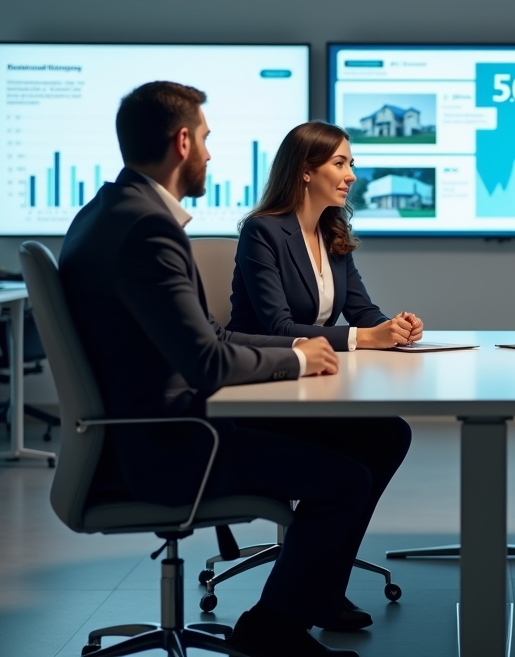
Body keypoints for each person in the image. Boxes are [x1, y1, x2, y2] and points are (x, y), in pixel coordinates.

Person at [60, 81, 411, 657]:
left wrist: (303, 353)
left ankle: (312, 591)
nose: (208, 152)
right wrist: (297, 357)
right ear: (181, 142)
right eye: (204, 138)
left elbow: (209, 338)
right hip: (170, 440)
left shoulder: (111, 212)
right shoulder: (148, 228)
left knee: (383, 433)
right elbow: (205, 359)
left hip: (149, 425)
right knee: (346, 479)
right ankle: (273, 627)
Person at [227, 121, 423, 350]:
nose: (352, 176)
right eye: (339, 163)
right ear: (305, 171)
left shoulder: (333, 234)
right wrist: (367, 337)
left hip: (314, 364)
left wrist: (393, 328)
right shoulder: (261, 231)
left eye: (351, 164)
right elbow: (279, 328)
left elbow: (361, 311)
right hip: (259, 364)